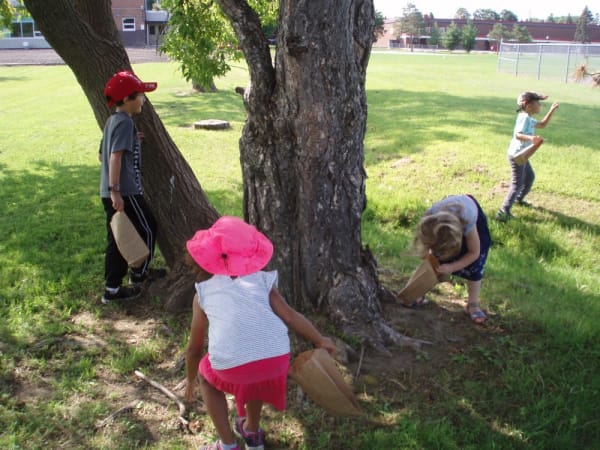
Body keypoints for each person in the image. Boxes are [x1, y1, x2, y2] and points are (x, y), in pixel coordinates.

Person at [184, 216, 336, 450]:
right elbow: (290, 316)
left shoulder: (203, 293)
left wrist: (190, 380)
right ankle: (252, 432)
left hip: (232, 366)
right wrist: (319, 339)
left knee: (208, 377)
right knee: (255, 371)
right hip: (275, 361)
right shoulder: (262, 282)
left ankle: (227, 445)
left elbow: (194, 349)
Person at [99, 71, 164, 304]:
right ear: (127, 99)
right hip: (124, 192)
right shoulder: (125, 123)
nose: (144, 100)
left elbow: (102, 155)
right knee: (148, 228)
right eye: (140, 96)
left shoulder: (113, 122)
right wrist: (116, 190)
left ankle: (112, 290)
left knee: (117, 240)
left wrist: (133, 140)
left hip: (110, 192)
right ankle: (140, 275)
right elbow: (114, 158)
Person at [413, 195, 492, 324]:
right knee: (434, 262)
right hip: (447, 221)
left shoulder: (468, 220)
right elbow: (427, 247)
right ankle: (419, 292)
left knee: (476, 266)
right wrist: (429, 256)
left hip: (471, 222)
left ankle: (472, 303)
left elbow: (474, 252)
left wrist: (452, 267)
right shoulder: (430, 220)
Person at [497, 91, 559, 221]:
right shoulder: (524, 118)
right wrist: (532, 138)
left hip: (523, 155)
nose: (540, 106)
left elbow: (542, 125)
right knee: (517, 184)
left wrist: (552, 110)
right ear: (528, 105)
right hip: (517, 155)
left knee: (530, 177)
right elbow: (518, 135)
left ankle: (518, 200)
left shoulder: (529, 118)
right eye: (537, 103)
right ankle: (503, 211)